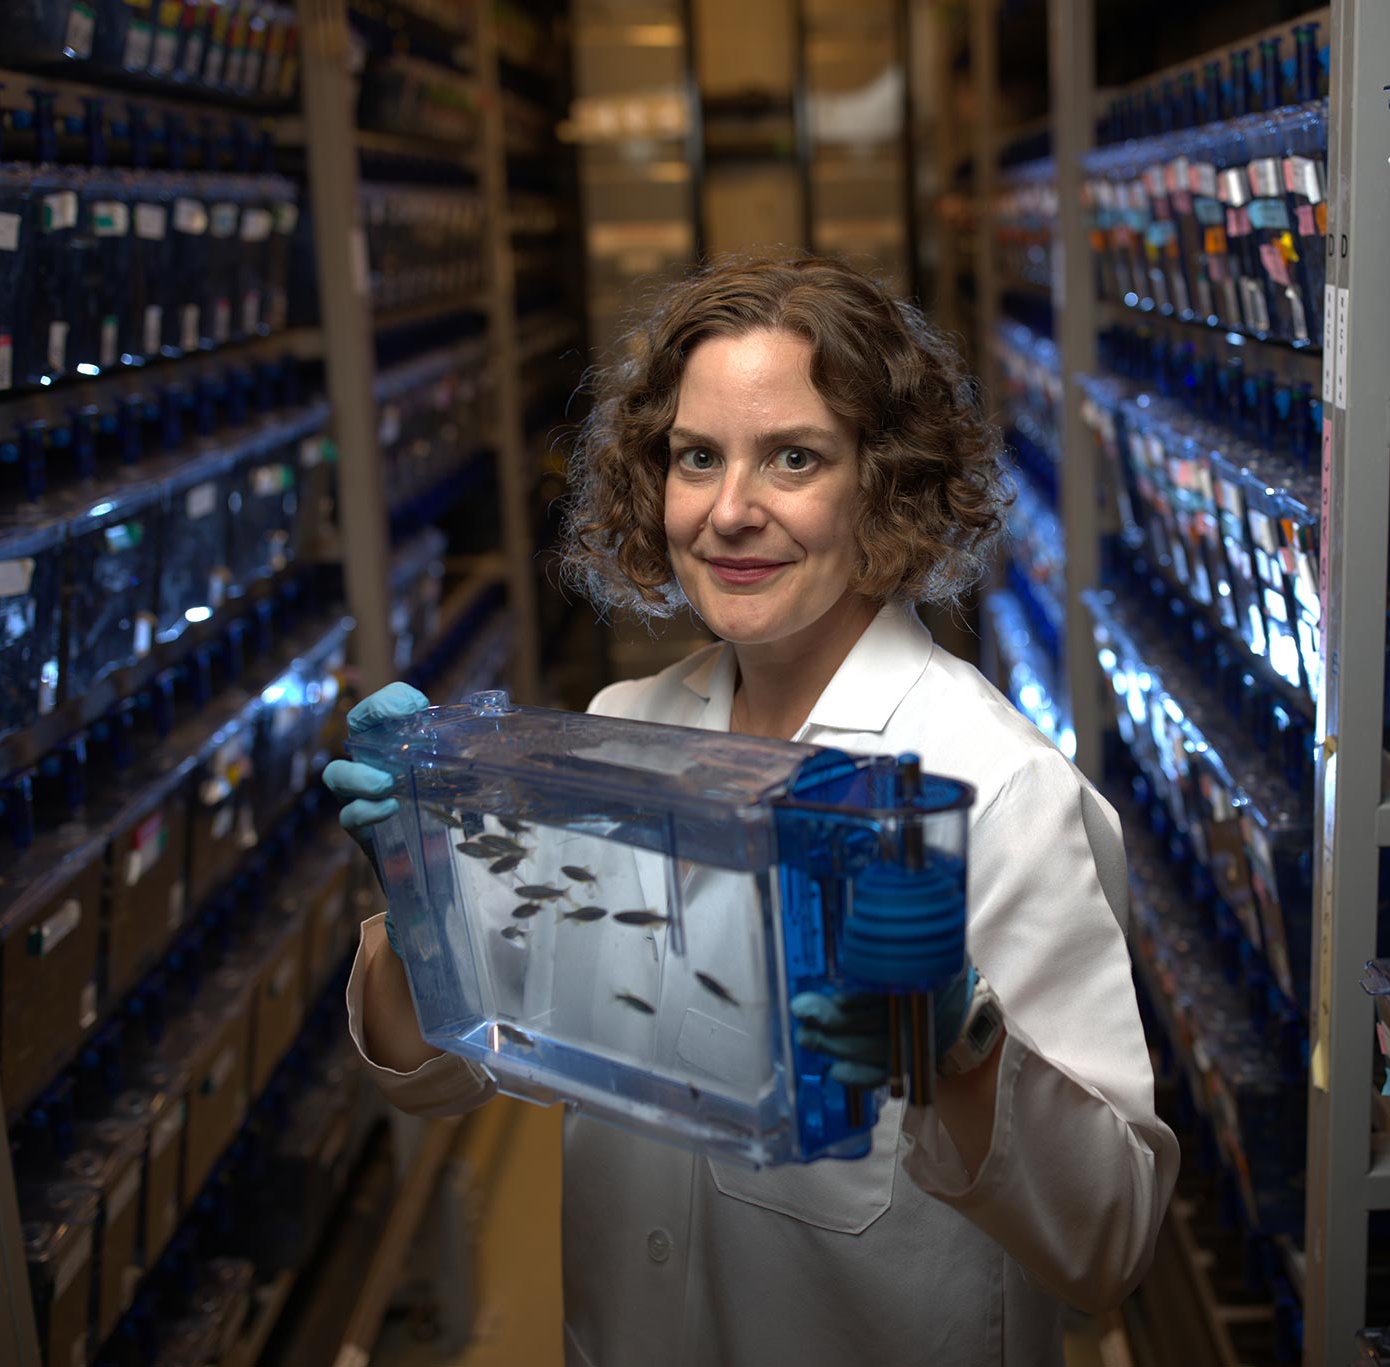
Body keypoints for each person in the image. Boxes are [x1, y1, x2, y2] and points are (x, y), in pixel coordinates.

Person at [324, 255, 1178, 1367]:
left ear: (883, 481)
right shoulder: (620, 727)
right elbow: (442, 1071)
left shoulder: (997, 789)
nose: (730, 511)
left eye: (792, 457)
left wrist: (962, 1050)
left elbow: (1109, 1240)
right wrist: (417, 892)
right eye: (695, 457)